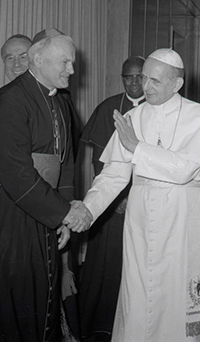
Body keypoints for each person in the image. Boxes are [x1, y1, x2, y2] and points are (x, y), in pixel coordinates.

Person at [72, 48, 200, 341]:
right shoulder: (134, 117)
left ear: (177, 84)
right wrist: (87, 210)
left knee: (178, 298)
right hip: (140, 224)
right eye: (144, 79)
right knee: (140, 295)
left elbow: (184, 170)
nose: (145, 87)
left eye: (155, 81)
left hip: (182, 222)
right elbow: (113, 175)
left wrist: (137, 147)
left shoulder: (199, 116)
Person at [0, 28, 91, 341]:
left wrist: (67, 209)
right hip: (5, 214)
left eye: (72, 63)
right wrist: (64, 213)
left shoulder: (59, 102)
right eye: (65, 63)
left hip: (41, 210)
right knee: (9, 305)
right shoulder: (7, 100)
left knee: (39, 302)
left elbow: (65, 162)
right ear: (39, 60)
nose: (72, 70)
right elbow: (16, 172)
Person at [77, 56, 145, 342]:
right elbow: (98, 162)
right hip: (112, 204)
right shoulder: (108, 107)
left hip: (143, 201)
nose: (133, 83)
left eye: (139, 77)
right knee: (105, 264)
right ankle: (99, 325)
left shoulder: (159, 108)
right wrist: (114, 200)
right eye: (127, 77)